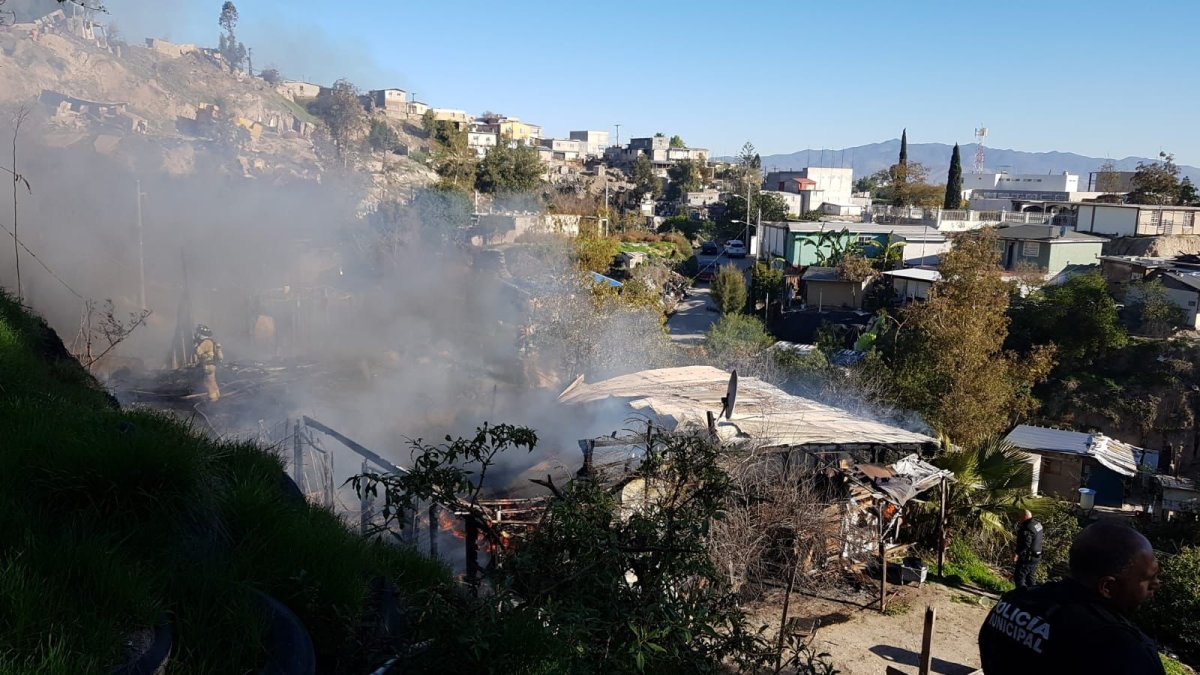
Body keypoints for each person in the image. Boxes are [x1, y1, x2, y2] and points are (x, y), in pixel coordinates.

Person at [978, 521, 1164, 674]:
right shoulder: (1126, 650)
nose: (1157, 585)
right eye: (1148, 579)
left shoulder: (1013, 602)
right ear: (1107, 586)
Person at [1013, 509, 1044, 589]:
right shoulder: (1037, 524)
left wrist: (1017, 553)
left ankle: (1020, 596)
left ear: (1025, 517)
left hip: (1028, 557)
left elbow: (1025, 543)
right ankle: (1033, 596)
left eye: (1020, 517)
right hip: (1036, 556)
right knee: (1030, 578)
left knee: (1019, 577)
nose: (1018, 519)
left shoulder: (1026, 528)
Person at [192, 324, 224, 402]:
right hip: (212, 365)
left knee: (208, 383)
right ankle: (217, 396)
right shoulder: (212, 341)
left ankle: (213, 400)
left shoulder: (205, 342)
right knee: (213, 381)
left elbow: (199, 352)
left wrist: (195, 345)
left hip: (207, 365)